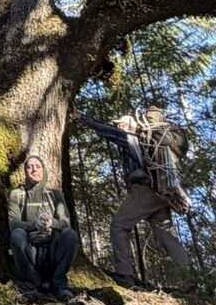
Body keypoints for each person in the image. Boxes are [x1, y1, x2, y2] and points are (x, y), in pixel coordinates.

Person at [79, 106, 192, 288]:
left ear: (130, 125)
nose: (118, 126)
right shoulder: (147, 142)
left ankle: (125, 275)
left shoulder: (131, 137)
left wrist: (83, 117)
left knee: (119, 226)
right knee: (166, 235)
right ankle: (191, 279)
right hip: (161, 192)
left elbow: (107, 132)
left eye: (121, 123)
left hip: (145, 190)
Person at [7, 153, 78, 301]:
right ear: (25, 172)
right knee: (17, 234)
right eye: (29, 167)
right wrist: (34, 225)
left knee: (70, 235)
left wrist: (53, 223)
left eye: (38, 166)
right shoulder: (17, 194)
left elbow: (65, 221)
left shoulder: (55, 194)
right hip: (30, 251)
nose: (34, 170)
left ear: (43, 170)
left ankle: (58, 285)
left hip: (53, 251)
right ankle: (32, 284)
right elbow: (13, 223)